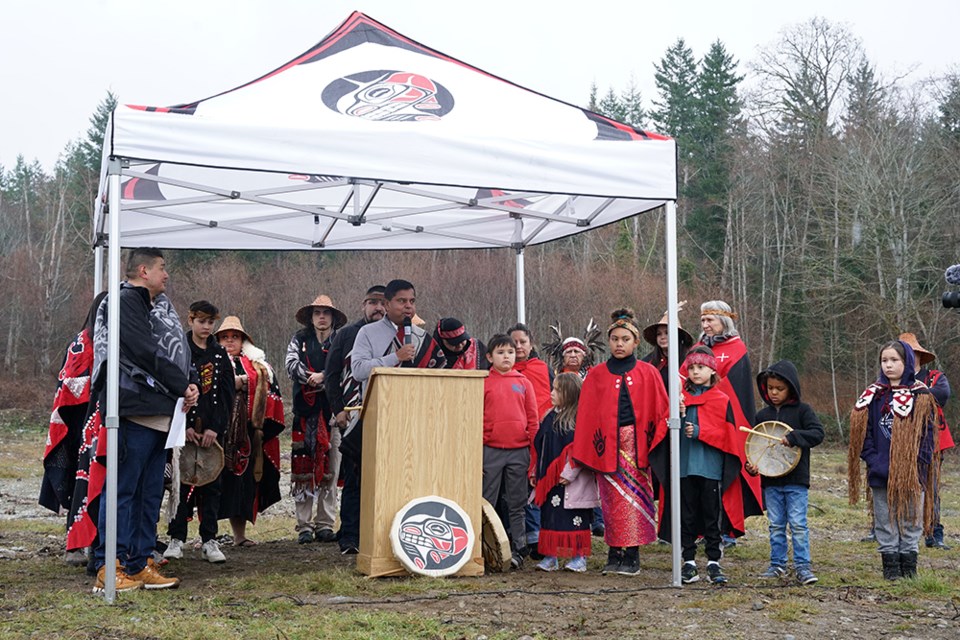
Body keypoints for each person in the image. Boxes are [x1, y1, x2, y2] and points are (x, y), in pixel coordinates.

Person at [90, 247, 198, 592]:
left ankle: (139, 562)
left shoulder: (155, 306)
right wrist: (182, 384)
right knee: (123, 490)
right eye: (162, 268)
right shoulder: (125, 301)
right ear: (143, 270)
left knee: (150, 491)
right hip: (134, 408)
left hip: (160, 412)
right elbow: (143, 350)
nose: (166, 275)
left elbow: (174, 349)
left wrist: (186, 387)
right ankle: (111, 565)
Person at [349, 279, 445, 553]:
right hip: (378, 418)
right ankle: (365, 538)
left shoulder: (422, 336)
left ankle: (409, 534)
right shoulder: (367, 333)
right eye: (402, 301)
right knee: (373, 479)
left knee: (409, 478)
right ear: (387, 303)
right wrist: (395, 357)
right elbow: (357, 370)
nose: (408, 306)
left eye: (412, 301)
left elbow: (436, 373)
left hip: (414, 419)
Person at [572, 308, 668, 575]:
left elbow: (661, 409)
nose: (619, 344)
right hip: (607, 448)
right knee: (612, 501)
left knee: (636, 499)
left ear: (635, 342)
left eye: (625, 339)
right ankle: (614, 553)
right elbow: (587, 415)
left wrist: (657, 441)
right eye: (615, 339)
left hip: (638, 446)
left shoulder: (648, 372)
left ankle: (633, 555)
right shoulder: (596, 375)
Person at [651, 346, 743, 584]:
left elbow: (729, 436)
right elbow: (664, 431)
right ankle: (689, 561)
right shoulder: (680, 399)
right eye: (691, 367)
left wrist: (702, 432)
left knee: (712, 516)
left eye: (700, 367)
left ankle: (714, 561)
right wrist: (677, 417)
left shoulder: (721, 400)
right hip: (683, 468)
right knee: (686, 516)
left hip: (710, 469)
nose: (695, 372)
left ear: (712, 371)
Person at [848, 340, 939, 580]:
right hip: (880, 470)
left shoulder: (921, 396)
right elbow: (863, 433)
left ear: (907, 362)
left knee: (910, 518)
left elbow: (928, 434)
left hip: (912, 472)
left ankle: (909, 569)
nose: (888, 365)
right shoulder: (873, 396)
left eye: (894, 360)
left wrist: (918, 461)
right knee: (885, 519)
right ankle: (890, 569)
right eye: (884, 361)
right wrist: (872, 458)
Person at [684, 300, 763, 544]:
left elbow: (737, 392)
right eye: (703, 320)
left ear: (724, 321)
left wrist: (711, 396)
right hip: (695, 422)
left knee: (723, 476)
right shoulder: (697, 348)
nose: (705, 325)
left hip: (724, 420)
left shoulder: (736, 349)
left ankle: (725, 529)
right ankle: (696, 530)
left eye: (710, 320)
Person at [164, 301, 236, 564]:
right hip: (183, 430)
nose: (206, 327)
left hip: (212, 433)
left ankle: (209, 539)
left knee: (212, 486)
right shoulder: (179, 349)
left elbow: (227, 395)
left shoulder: (219, 354)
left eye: (210, 322)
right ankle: (176, 538)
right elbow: (172, 388)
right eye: (201, 321)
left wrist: (215, 428)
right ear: (190, 319)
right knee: (179, 485)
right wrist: (184, 427)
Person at [40, 291, 106, 566]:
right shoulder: (82, 343)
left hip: (103, 419)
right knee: (82, 480)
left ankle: (101, 540)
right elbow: (69, 382)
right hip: (79, 421)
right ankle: (77, 541)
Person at [745, 360, 824, 585]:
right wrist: (751, 467)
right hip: (771, 482)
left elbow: (817, 434)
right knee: (776, 524)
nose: (774, 393)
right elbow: (755, 448)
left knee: (798, 523)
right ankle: (777, 564)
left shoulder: (803, 411)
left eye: (779, 389)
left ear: (791, 387)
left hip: (796, 480)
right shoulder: (762, 416)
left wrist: (794, 437)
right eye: (770, 388)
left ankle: (803, 566)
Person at [324, 285, 386, 554]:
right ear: (363, 305)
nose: (378, 307)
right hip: (353, 415)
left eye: (383, 303)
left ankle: (380, 533)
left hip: (388, 416)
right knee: (354, 477)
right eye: (373, 302)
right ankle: (350, 536)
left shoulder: (395, 336)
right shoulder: (347, 334)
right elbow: (331, 374)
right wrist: (338, 410)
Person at [215, 316, 285, 548]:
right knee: (209, 481)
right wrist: (233, 383)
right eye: (225, 337)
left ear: (243, 340)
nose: (229, 341)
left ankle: (239, 535)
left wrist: (247, 382)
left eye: (234, 337)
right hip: (214, 432)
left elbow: (270, 390)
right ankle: (207, 536)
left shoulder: (258, 366)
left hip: (246, 436)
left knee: (242, 484)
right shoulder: (210, 362)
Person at [286, 294, 347, 545]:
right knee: (303, 471)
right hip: (305, 415)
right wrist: (311, 376)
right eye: (317, 313)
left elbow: (345, 367)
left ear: (332, 317)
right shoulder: (299, 339)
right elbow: (290, 364)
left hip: (332, 414)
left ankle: (325, 524)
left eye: (326, 312)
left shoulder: (341, 340)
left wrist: (325, 376)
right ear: (311, 317)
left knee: (331, 470)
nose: (321, 317)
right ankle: (304, 526)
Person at [481, 334, 540, 569]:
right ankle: (483, 549)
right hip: (491, 451)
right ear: (490, 356)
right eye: (501, 352)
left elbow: (533, 420)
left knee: (517, 503)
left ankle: (519, 548)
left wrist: (534, 454)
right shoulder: (483, 381)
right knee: (487, 501)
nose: (506, 357)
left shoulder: (524, 382)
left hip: (519, 451)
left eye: (511, 352)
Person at [532, 373, 596, 573]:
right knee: (550, 517)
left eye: (557, 390)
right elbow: (540, 448)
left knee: (574, 517)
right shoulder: (549, 416)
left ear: (569, 393)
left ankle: (579, 557)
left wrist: (569, 473)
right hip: (549, 482)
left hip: (571, 482)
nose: (552, 393)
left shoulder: (579, 420)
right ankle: (551, 556)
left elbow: (581, 450)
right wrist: (536, 471)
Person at [898, 333, 954, 550]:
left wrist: (914, 391)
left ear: (919, 356)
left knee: (930, 487)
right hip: (898, 441)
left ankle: (933, 532)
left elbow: (942, 395)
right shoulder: (891, 380)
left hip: (931, 441)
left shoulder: (934, 377)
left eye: (911, 354)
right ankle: (891, 529)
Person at [641, 305, 694, 393]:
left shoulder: (690, 360)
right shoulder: (648, 362)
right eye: (659, 334)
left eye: (667, 333)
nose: (663, 337)